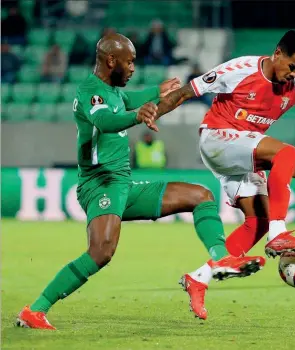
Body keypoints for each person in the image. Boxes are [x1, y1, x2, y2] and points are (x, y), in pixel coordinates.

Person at [16, 33, 265, 330]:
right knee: (101, 253)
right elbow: (106, 121)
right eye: (129, 62)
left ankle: (221, 258)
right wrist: (137, 116)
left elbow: (129, 99)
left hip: (123, 184)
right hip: (101, 184)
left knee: (200, 195)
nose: (133, 67)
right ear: (111, 61)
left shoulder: (112, 91)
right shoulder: (91, 93)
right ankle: (35, 310)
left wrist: (156, 92)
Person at [142, 30, 295, 319]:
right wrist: (152, 113)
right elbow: (187, 92)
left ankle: (198, 279)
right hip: (217, 139)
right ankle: (279, 234)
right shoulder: (239, 70)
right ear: (277, 53)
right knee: (287, 154)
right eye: (291, 67)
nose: (293, 75)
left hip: (243, 151)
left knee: (257, 222)